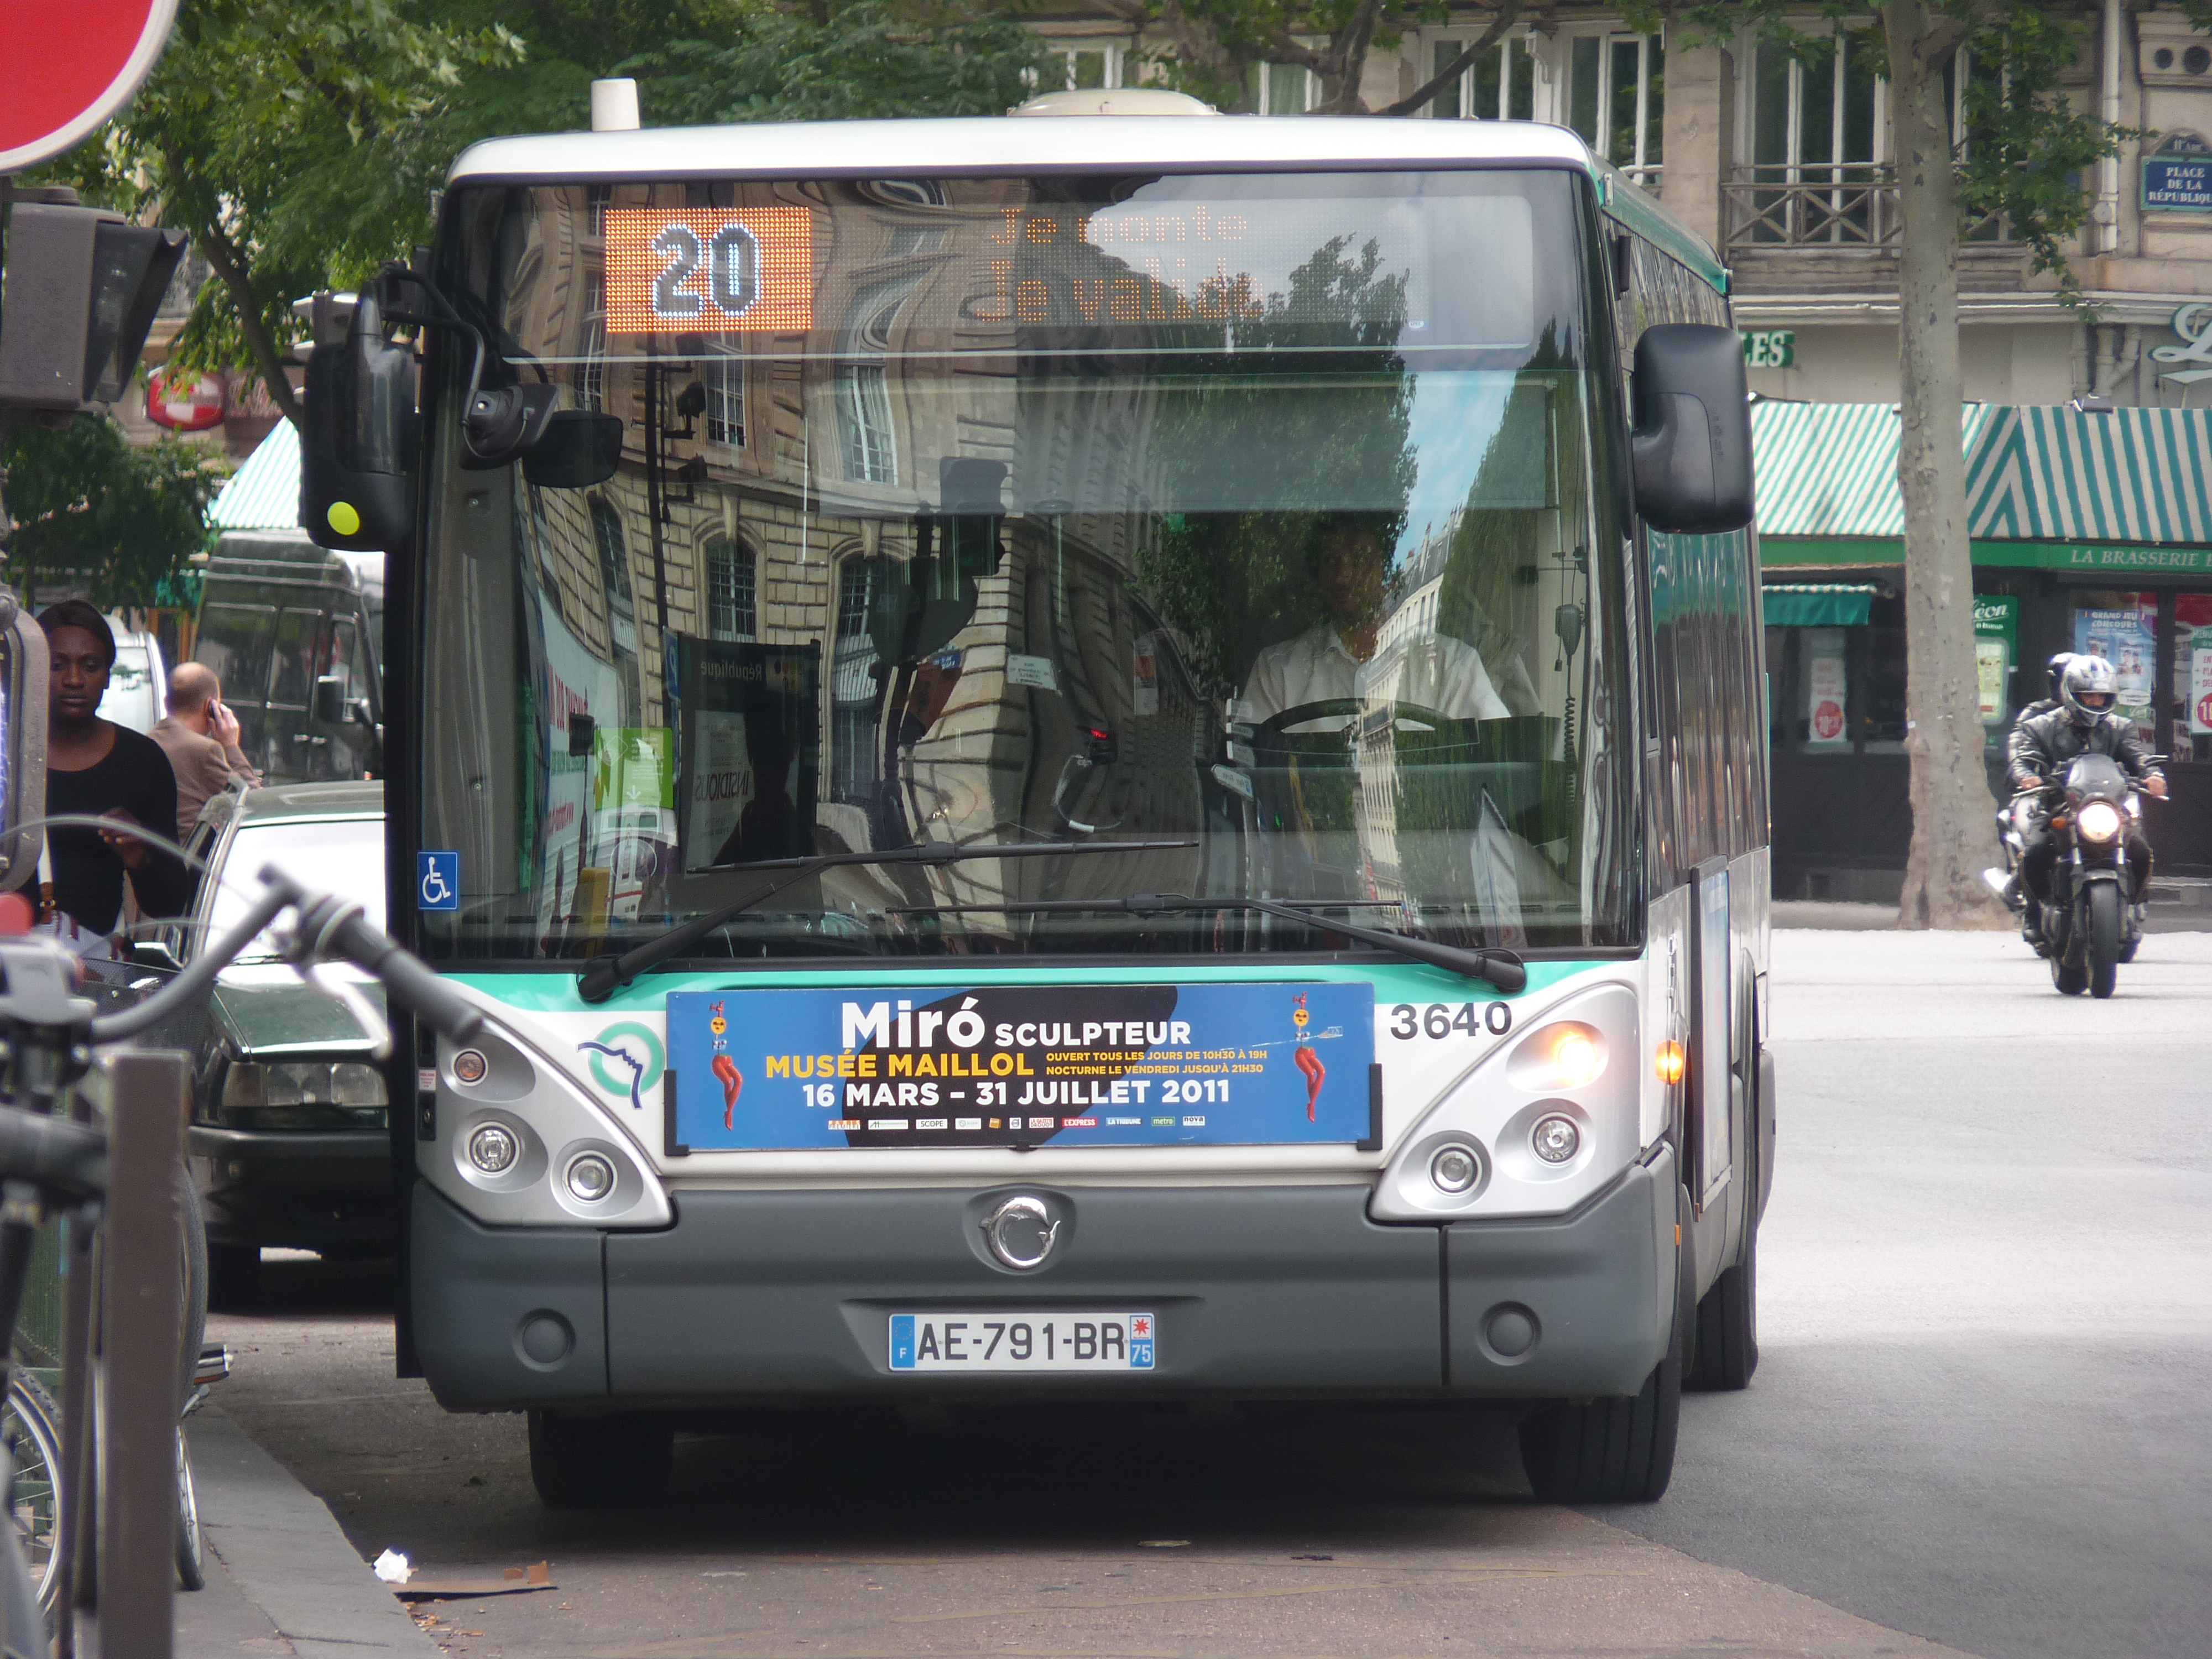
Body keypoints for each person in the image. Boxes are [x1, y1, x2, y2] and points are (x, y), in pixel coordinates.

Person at [1240, 518, 1509, 727]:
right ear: (1319, 578)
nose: (1343, 576)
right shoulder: (1278, 672)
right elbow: (1252, 775)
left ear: (1388, 571)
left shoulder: (1452, 667)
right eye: (1331, 561)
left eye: (1359, 559)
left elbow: (1497, 766)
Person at [40, 601, 192, 935]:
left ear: (108, 675)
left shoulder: (142, 761)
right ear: (33, 670)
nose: (74, 679)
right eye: (57, 665)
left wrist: (139, 854)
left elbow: (169, 903)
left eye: (90, 666)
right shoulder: (10, 756)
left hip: (95, 972)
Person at [2008, 655, 2165, 940]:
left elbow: (2138, 757)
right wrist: (2026, 775)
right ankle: (2037, 908)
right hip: (2058, 805)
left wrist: (2153, 775)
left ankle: (2129, 909)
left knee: (2141, 851)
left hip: (2107, 807)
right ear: (2070, 693)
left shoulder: (2120, 727)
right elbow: (2023, 759)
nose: (2095, 702)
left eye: (2101, 697)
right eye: (2088, 696)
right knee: (2034, 854)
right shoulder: (2041, 725)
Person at [150, 661, 262, 843]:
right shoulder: (206, 751)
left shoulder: (142, 744)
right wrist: (231, 746)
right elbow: (253, 802)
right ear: (211, 707)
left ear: (166, 702)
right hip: (188, 865)